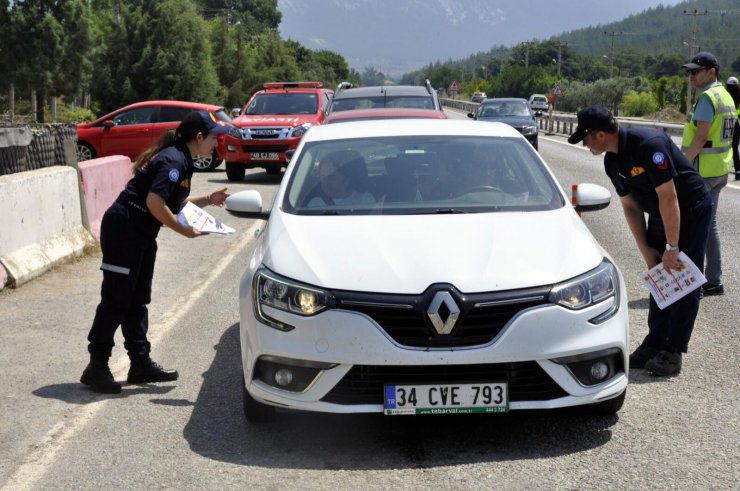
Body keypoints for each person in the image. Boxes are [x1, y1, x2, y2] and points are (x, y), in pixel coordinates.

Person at [80, 110, 232, 394]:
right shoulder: (174, 161)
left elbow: (175, 202)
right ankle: (96, 366)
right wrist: (183, 230)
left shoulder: (181, 159)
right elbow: (154, 202)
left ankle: (140, 364)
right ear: (199, 137)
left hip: (140, 232)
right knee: (116, 300)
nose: (216, 143)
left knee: (137, 300)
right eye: (213, 138)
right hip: (125, 229)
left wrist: (210, 200)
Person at [569, 105, 713, 377]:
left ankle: (673, 350)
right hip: (661, 211)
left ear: (600, 135)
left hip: (690, 209)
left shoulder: (649, 145)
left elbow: (670, 197)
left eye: (585, 138)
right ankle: (655, 340)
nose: (585, 144)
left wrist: (672, 247)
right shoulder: (612, 161)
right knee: (660, 274)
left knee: (684, 277)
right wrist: (646, 249)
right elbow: (630, 207)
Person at [680, 52, 736, 297]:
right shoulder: (726, 95)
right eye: (689, 72)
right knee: (709, 225)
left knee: (696, 227)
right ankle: (713, 280)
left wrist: (682, 163)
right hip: (720, 170)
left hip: (702, 172)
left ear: (711, 72)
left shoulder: (707, 98)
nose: (691, 76)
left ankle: (697, 282)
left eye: (695, 71)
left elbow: (701, 137)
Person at [307, 151, 375, 207]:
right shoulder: (315, 204)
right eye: (323, 178)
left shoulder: (365, 200)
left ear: (346, 180)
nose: (326, 183)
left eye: (332, 177)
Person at [725, 76, 740, 181]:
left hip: (729, 124)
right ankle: (738, 172)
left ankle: (725, 171)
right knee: (735, 148)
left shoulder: (726, 97)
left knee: (727, 147)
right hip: (737, 124)